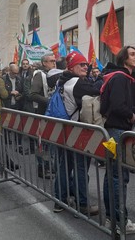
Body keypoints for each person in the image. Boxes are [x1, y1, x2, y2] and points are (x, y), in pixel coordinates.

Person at [52, 51, 100, 216]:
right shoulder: (76, 83)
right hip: (76, 130)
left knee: (65, 165)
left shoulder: (62, 80)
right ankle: (83, 203)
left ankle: (59, 200)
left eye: (86, 64)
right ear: (72, 66)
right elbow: (96, 91)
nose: (85, 67)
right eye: (81, 64)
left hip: (64, 127)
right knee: (80, 167)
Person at [100, 46, 135, 234]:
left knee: (112, 175)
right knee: (118, 176)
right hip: (117, 131)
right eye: (132, 54)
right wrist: (131, 116)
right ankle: (120, 220)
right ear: (123, 58)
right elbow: (117, 105)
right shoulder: (120, 77)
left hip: (113, 130)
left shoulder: (117, 77)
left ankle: (112, 217)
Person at [30, 53, 56, 178]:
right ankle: (42, 168)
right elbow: (33, 94)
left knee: (50, 142)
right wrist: (49, 101)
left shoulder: (54, 74)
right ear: (44, 63)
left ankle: (49, 166)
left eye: (54, 60)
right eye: (51, 61)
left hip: (51, 113)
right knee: (42, 142)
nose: (54, 63)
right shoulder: (40, 75)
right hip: (42, 113)